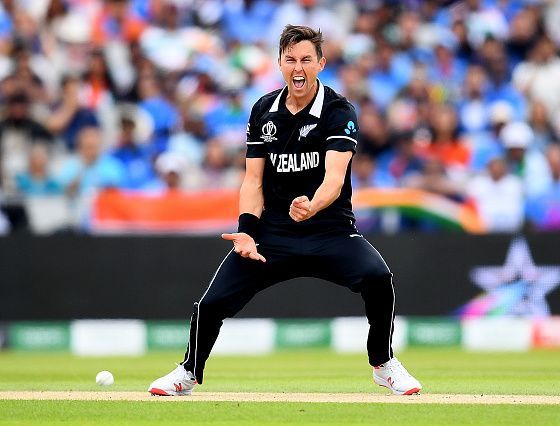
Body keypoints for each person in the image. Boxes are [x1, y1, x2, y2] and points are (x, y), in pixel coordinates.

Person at [148, 25, 422, 397]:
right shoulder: (263, 110)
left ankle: (383, 364)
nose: (298, 67)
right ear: (279, 63)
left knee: (379, 278)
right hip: (272, 234)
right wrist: (246, 230)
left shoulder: (339, 111)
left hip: (330, 231)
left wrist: (312, 205)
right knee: (210, 304)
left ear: (320, 63)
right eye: (290, 59)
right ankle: (188, 373)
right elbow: (252, 182)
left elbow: (335, 178)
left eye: (306, 59)